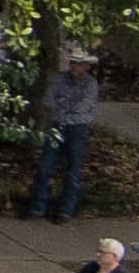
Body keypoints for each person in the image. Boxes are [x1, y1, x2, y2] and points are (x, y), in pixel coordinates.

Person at [37, 48, 106, 222]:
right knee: (45, 167)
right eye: (73, 62)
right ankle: (37, 207)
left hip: (77, 129)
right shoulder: (60, 78)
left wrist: (62, 105)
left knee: (73, 170)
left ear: (86, 66)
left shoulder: (90, 84)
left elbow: (82, 107)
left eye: (79, 63)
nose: (74, 66)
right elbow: (48, 99)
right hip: (57, 126)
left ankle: (65, 210)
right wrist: (64, 107)